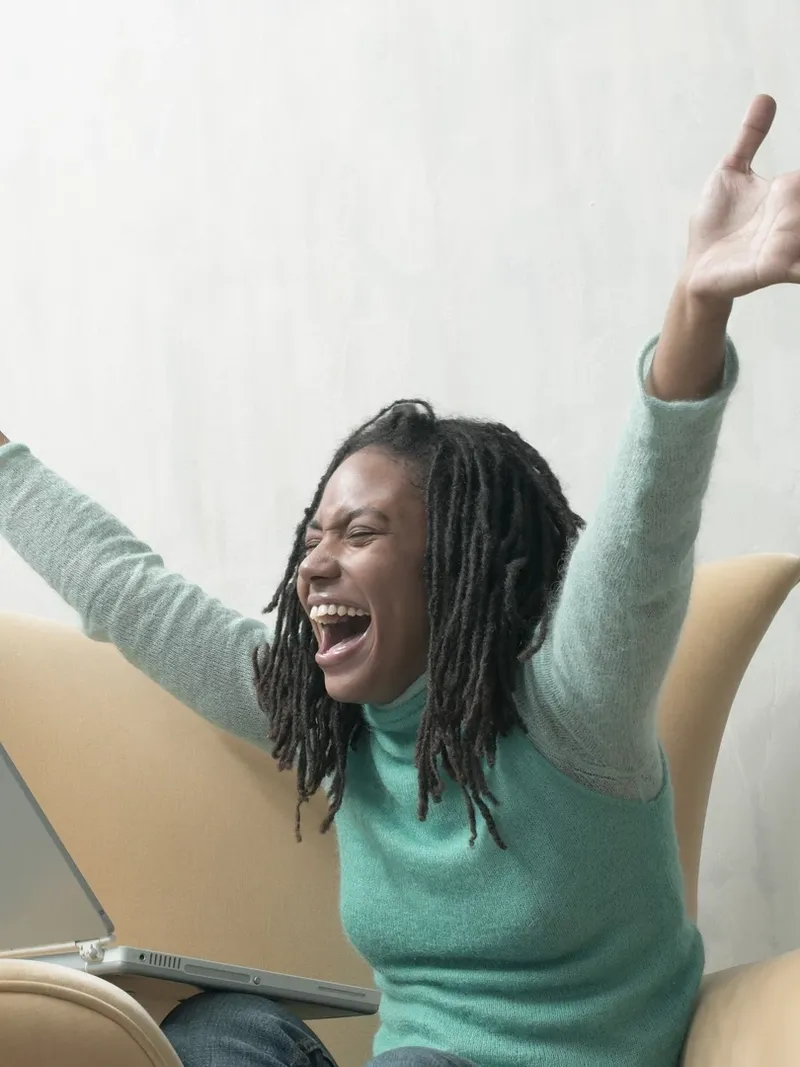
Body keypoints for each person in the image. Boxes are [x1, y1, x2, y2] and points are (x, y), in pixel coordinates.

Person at [0, 94, 797, 1067]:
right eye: (312, 534)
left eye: (360, 531)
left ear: (454, 569)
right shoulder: (337, 721)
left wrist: (694, 305)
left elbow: (643, 537)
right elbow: (133, 595)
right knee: (211, 1027)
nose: (313, 565)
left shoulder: (573, 710)